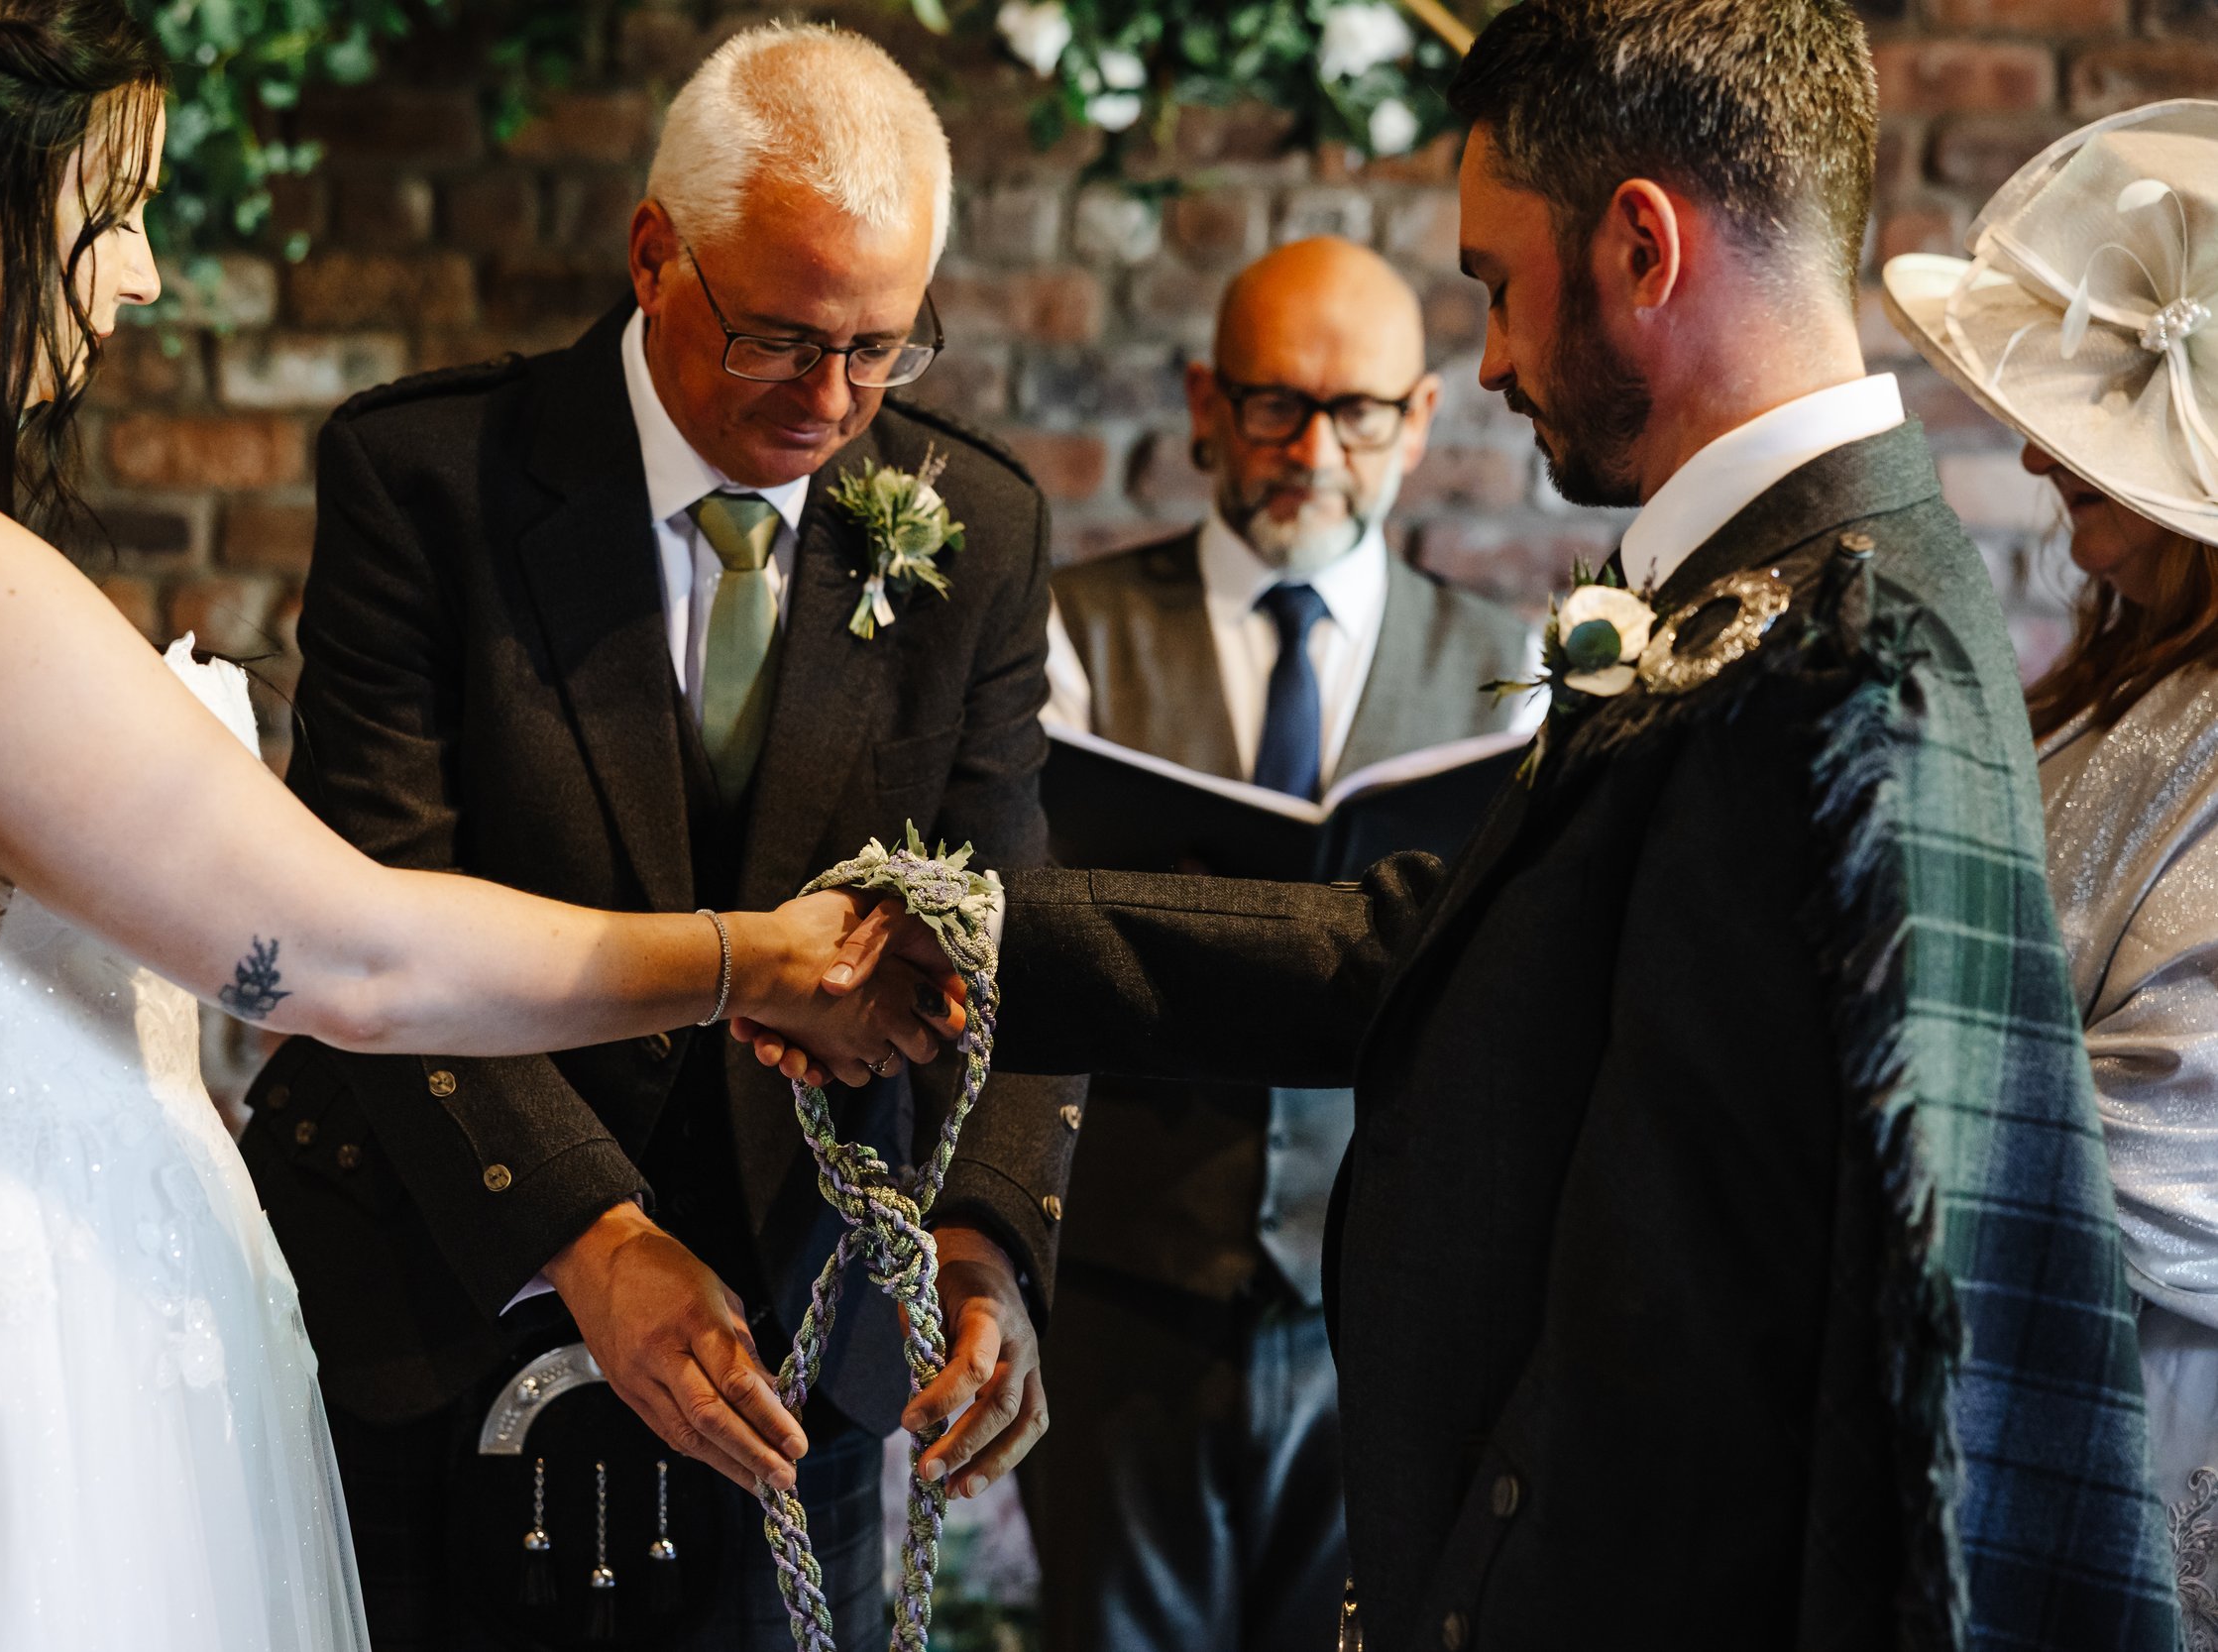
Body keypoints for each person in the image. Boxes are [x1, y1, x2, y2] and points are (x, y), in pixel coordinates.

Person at [761, 2, 2177, 1645]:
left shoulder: (1844, 651)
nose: (1492, 359)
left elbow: (1770, 1317)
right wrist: (973, 933)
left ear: (1641, 245)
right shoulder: (1766, 591)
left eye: (1498, 286)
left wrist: (1484, 1576)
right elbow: (1438, 941)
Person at [0, 5, 966, 1648]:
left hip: (60, 1317)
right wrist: (745, 961)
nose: (140, 274)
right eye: (110, 214)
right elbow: (345, 956)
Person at [238, 22, 1084, 1651]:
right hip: (445, 1306)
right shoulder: (425, 483)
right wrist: (589, 1240)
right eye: (780, 338)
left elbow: (1010, 924)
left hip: (801, 1355)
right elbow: (376, 909)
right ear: (652, 255)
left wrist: (987, 1242)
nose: (832, 401)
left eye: (879, 349)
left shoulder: (974, 526)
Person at [1022, 234, 1532, 1652]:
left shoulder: (1512, 678)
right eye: (1272, 405)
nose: (1314, 450)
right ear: (1202, 403)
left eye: (1356, 411)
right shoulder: (1070, 640)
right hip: (1122, 1293)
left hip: (1377, 1313)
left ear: (1420, 420)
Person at [1885, 99, 2218, 1634]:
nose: (2028, 451)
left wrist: (1851, 1059)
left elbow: (2174, 1158)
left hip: (2144, 1414)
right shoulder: (2132, 686)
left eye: (2088, 430)